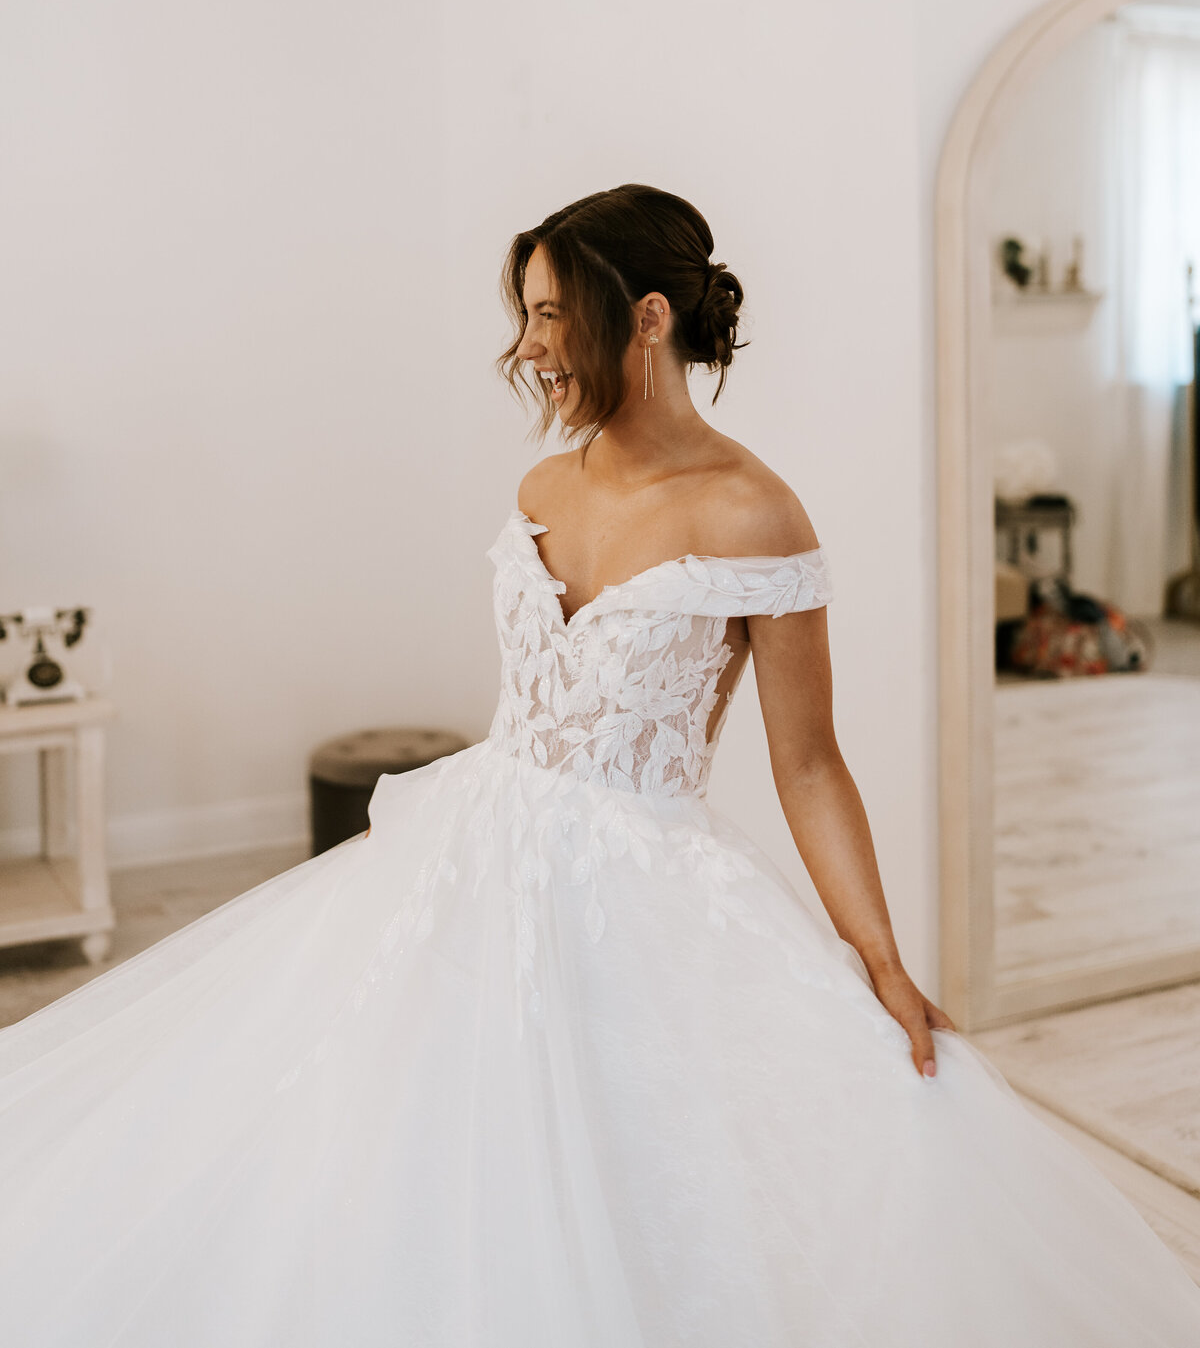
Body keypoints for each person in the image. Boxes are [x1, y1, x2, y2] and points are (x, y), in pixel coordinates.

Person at [0, 184, 1197, 1346]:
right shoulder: (539, 485)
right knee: (390, 1139)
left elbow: (811, 761)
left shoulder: (752, 512)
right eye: (523, 313)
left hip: (642, 894)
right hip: (467, 857)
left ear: (649, 315)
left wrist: (877, 954)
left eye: (550, 311)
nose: (527, 346)